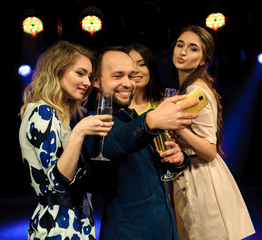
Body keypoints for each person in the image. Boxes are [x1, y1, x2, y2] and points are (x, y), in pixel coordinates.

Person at [82, 46, 199, 240]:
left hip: (164, 229)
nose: (127, 83)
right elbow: (114, 143)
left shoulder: (130, 117)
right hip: (129, 233)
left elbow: (151, 169)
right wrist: (150, 120)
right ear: (96, 81)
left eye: (130, 76)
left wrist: (179, 159)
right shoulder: (90, 121)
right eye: (117, 76)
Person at [19, 41, 114, 240]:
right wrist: (79, 132)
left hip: (73, 219)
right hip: (58, 225)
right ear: (57, 71)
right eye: (80, 73)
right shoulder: (42, 111)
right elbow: (59, 181)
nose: (87, 82)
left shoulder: (57, 113)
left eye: (89, 76)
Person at [171, 25, 256, 240]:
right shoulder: (190, 87)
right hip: (194, 172)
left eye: (192, 49)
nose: (182, 52)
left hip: (201, 176)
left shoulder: (194, 90)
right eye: (180, 45)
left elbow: (209, 150)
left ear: (202, 59)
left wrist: (177, 127)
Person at [127, 44, 163, 115]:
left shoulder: (162, 104)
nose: (135, 70)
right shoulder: (114, 106)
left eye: (142, 64)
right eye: (130, 65)